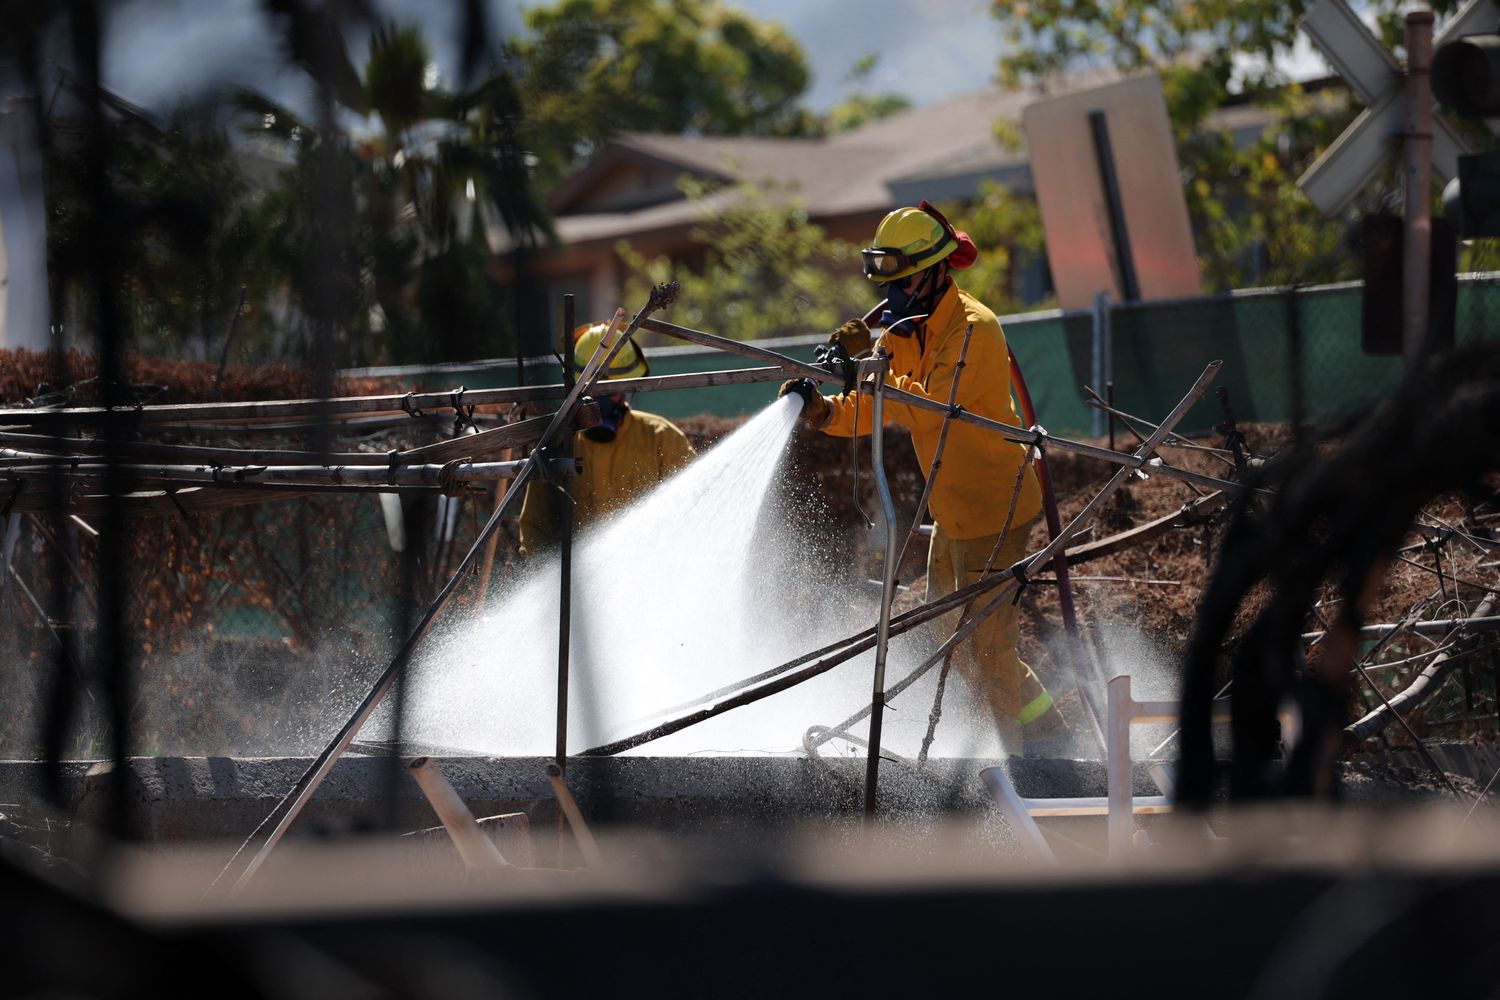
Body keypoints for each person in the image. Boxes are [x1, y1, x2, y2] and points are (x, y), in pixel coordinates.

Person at [779, 200, 1068, 757]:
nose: (891, 299)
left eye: (904, 283)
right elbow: (874, 408)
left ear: (938, 272)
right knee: (950, 634)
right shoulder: (902, 334)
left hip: (997, 506)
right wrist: (821, 409)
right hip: (951, 508)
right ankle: (1048, 730)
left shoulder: (975, 330)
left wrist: (868, 373)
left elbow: (933, 408)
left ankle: (1021, 766)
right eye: (888, 286)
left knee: (985, 643)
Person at [519, 321, 695, 557]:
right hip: (579, 589)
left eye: (609, 391)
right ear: (574, 392)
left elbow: (694, 509)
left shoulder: (661, 438)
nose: (600, 403)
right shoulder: (556, 446)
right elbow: (535, 533)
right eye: (591, 393)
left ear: (626, 389)